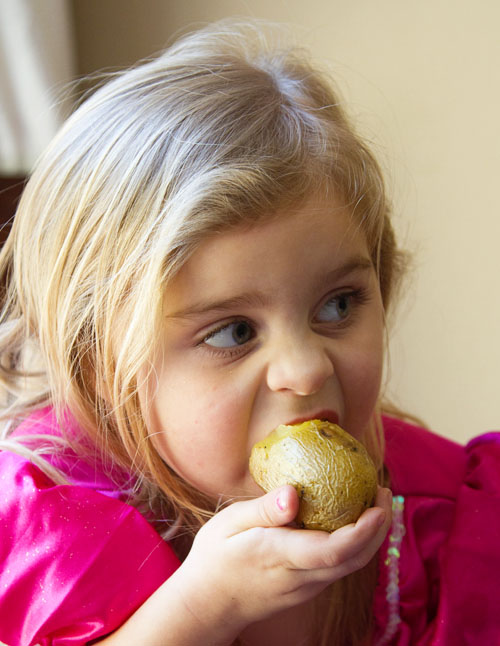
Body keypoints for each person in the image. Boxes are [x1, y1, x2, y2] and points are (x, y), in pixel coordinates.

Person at [0, 18, 498, 646]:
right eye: (235, 331)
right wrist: (206, 609)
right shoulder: (58, 515)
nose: (306, 368)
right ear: (98, 363)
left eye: (339, 305)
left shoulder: (440, 516)